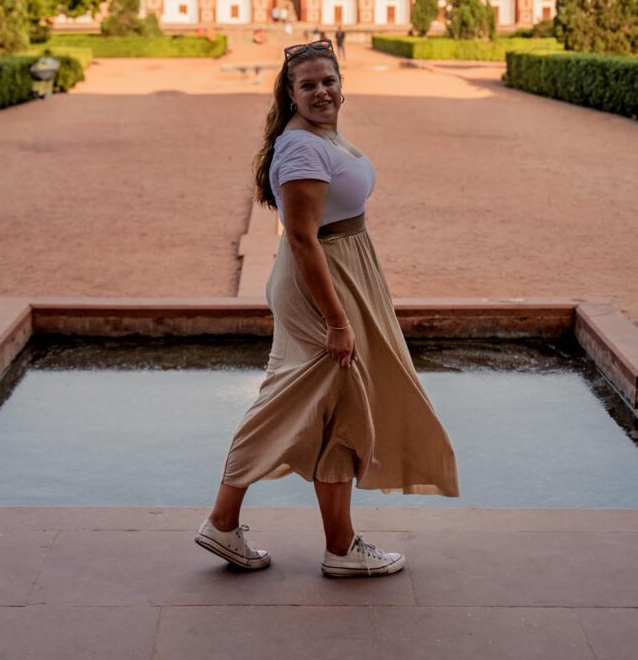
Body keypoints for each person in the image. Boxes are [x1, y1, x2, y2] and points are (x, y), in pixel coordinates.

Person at [196, 38, 459, 577]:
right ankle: (221, 521)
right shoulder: (300, 148)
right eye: (309, 85)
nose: (322, 91)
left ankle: (340, 546)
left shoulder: (321, 136)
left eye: (329, 81)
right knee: (286, 400)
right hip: (322, 283)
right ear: (290, 94)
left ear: (343, 85)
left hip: (344, 271)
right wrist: (337, 321)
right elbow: (300, 236)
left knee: (342, 403)